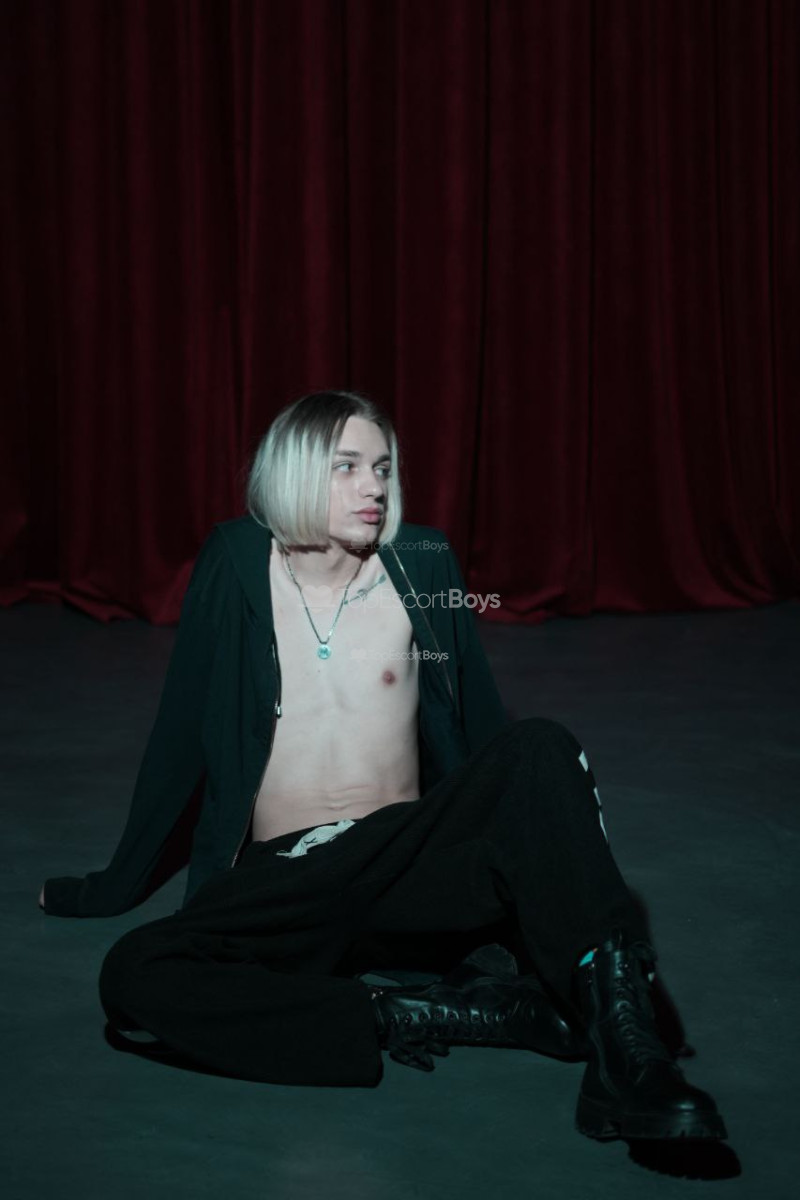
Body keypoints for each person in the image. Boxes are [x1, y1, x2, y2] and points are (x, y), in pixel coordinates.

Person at [41, 390, 727, 1144]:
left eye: (382, 468)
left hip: (400, 858)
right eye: (347, 467)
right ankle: (412, 1015)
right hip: (287, 875)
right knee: (135, 972)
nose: (374, 486)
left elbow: (478, 722)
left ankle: (631, 1050)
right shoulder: (234, 563)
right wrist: (109, 886)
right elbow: (180, 738)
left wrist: (535, 857)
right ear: (295, 472)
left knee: (540, 745)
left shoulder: (423, 565)